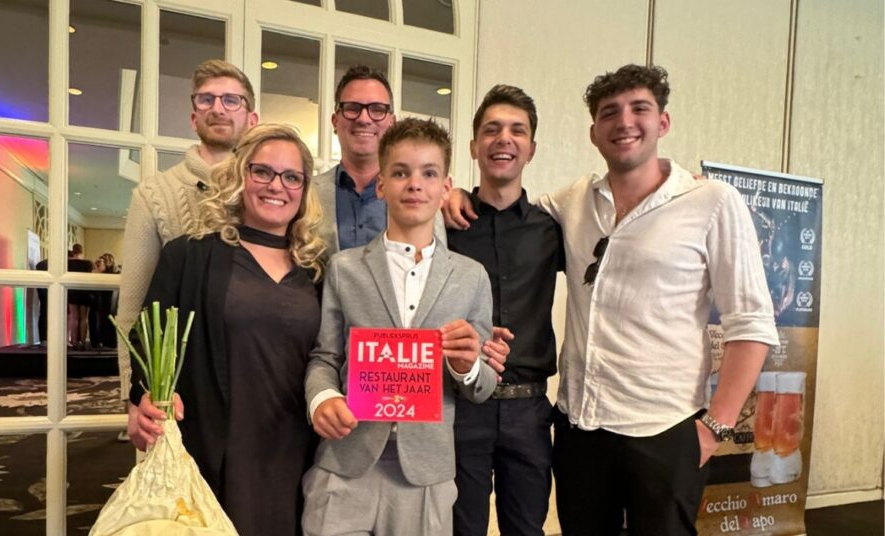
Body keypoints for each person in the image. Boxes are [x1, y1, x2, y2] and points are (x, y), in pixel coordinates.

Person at [445, 65, 779, 535]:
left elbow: (752, 324)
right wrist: (452, 193)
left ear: (663, 122)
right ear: (594, 132)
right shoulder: (573, 203)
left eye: (639, 109)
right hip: (581, 429)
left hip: (664, 430)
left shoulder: (712, 202)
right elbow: (504, 209)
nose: (624, 122)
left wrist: (715, 428)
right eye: (609, 113)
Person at [302, 118, 498, 535]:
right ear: (381, 185)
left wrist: (467, 367)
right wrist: (322, 398)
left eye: (429, 173)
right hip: (346, 461)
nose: (415, 185)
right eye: (400, 173)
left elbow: (482, 386)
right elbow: (325, 357)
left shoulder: (472, 277)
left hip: (425, 474)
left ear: (445, 187)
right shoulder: (344, 269)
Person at [128, 124, 325, 536]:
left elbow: (330, 356)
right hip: (216, 447)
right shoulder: (188, 255)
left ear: (304, 189)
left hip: (295, 448)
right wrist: (141, 399)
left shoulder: (318, 270)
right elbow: (148, 339)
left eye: (292, 177)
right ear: (240, 175)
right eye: (263, 172)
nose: (277, 186)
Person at [446, 85, 564, 536]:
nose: (504, 139)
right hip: (461, 406)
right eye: (492, 129)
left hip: (529, 411)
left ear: (531, 149)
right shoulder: (446, 226)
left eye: (518, 130)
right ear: (474, 145)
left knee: (527, 530)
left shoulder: (551, 229)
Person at [116, 59, 258, 404]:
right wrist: (132, 395)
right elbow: (132, 309)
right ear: (194, 117)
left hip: (253, 372)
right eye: (207, 99)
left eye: (231, 100)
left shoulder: (268, 194)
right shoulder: (153, 195)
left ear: (252, 119)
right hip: (179, 381)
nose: (218, 109)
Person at [313, 65, 446, 255]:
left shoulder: (424, 197)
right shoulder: (307, 195)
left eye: (377, 110)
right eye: (352, 108)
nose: (364, 119)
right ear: (335, 121)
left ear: (391, 122)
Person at [67, 244, 94, 349]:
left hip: (73, 291)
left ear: (73, 251)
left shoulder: (68, 263)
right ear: (81, 251)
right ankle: (82, 342)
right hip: (85, 291)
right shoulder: (88, 263)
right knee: (84, 318)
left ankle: (74, 342)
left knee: (74, 317)